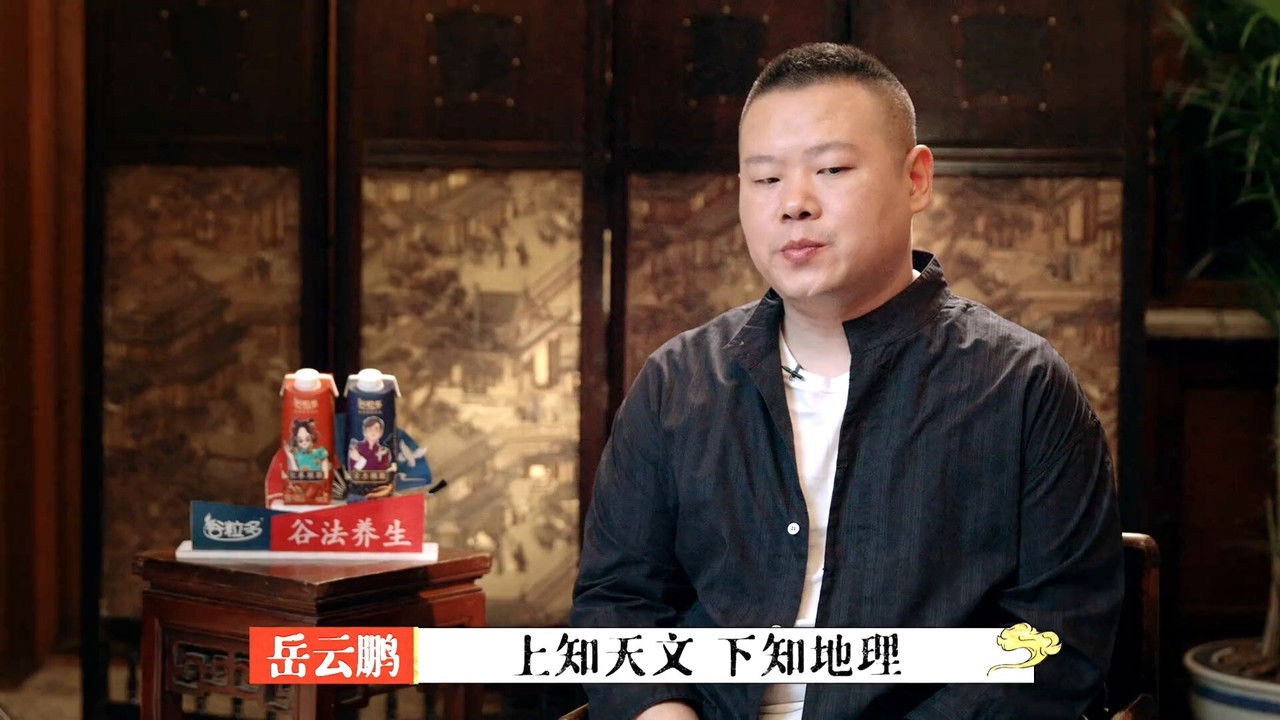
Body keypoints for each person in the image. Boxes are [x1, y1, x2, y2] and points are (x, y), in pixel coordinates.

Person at [570, 43, 1123, 720]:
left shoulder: (1022, 387)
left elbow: (1057, 644)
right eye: (765, 179)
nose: (794, 204)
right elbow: (618, 603)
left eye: (831, 169)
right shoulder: (676, 384)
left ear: (916, 179)